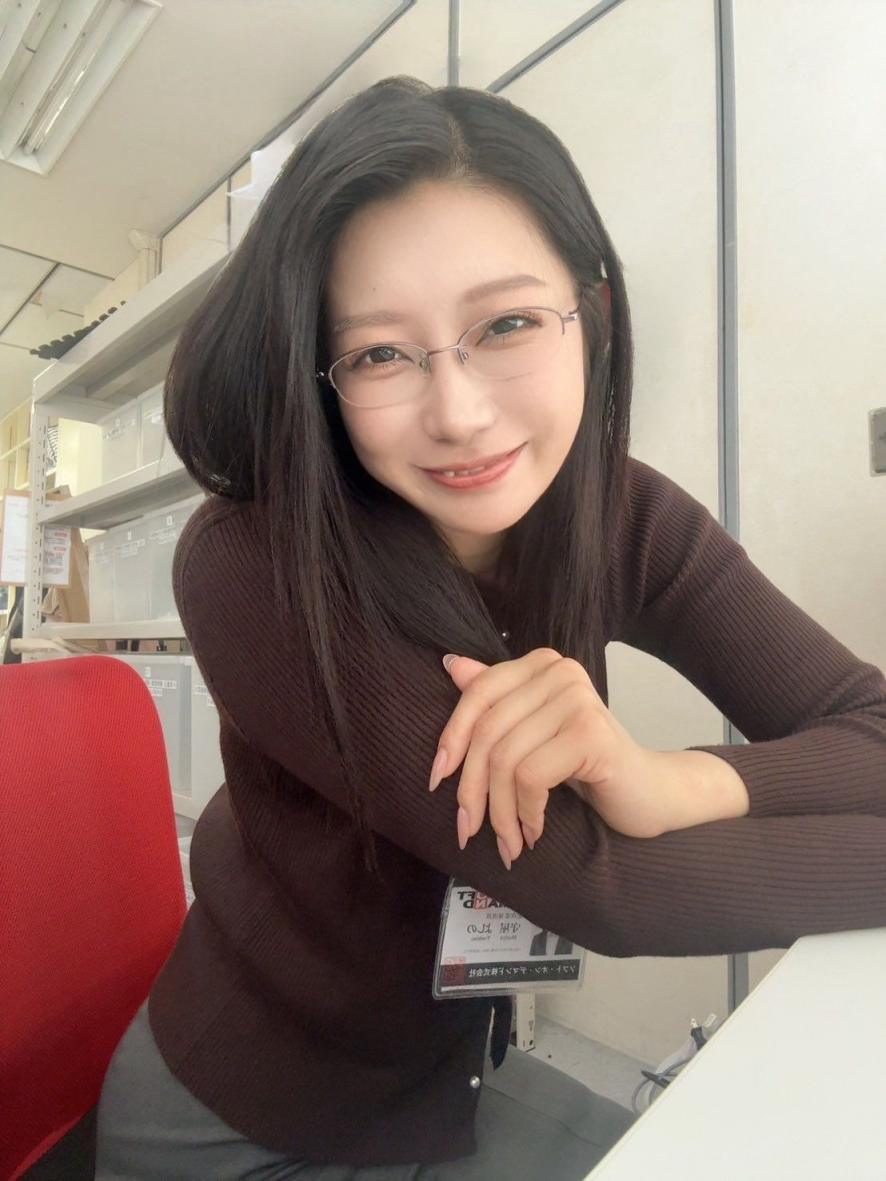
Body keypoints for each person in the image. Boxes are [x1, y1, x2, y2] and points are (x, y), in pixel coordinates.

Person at [95, 75, 886, 1179]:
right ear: (319, 378)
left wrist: (671, 781)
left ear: (589, 316)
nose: (459, 413)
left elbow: (867, 724)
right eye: (378, 353)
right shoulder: (256, 563)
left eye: (507, 323)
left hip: (452, 1079)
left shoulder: (619, 511)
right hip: (242, 1120)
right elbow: (598, 885)